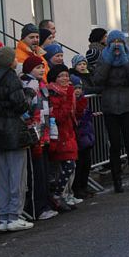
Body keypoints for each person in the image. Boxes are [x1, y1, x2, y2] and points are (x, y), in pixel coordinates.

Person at [0, 47, 34, 231]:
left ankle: (4, 216)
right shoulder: (11, 77)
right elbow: (20, 105)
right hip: (12, 128)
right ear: (9, 60)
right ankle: (14, 215)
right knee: (17, 175)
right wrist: (29, 95)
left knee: (4, 176)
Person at [93, 30, 129, 192]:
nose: (116, 45)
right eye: (113, 42)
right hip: (110, 105)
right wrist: (108, 61)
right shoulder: (103, 58)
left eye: (119, 42)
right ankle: (117, 180)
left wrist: (124, 60)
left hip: (128, 104)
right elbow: (97, 80)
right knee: (114, 144)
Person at [20, 56, 58, 220]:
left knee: (43, 171)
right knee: (36, 173)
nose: (42, 70)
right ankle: (37, 208)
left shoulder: (42, 85)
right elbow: (26, 107)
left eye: (42, 67)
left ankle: (45, 203)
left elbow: (47, 107)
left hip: (44, 131)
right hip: (34, 132)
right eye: (37, 68)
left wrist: (51, 128)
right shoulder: (28, 84)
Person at [47, 65, 79, 212]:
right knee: (68, 166)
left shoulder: (68, 93)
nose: (65, 78)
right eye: (61, 76)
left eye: (66, 75)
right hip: (59, 135)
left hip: (68, 132)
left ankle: (63, 195)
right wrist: (67, 100)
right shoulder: (54, 94)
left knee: (70, 166)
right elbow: (59, 116)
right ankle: (57, 195)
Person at [71, 75, 96, 199]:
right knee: (79, 164)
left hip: (86, 136)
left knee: (87, 163)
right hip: (78, 136)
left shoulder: (83, 101)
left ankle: (84, 186)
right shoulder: (72, 103)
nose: (77, 90)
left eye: (79, 88)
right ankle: (78, 188)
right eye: (75, 88)